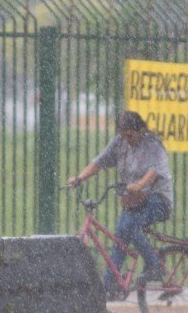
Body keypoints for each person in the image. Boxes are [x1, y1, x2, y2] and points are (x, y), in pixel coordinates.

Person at [67, 110, 173, 293]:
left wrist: (139, 185)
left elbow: (155, 170)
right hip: (134, 200)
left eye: (130, 135)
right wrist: (80, 177)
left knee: (130, 226)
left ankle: (154, 266)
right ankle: (110, 283)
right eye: (124, 135)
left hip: (158, 199)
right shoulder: (120, 141)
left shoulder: (152, 144)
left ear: (140, 130)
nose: (127, 139)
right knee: (120, 236)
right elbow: (100, 162)